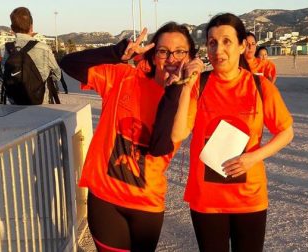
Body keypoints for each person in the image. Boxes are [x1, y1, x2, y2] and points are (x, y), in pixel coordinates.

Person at [60, 23, 203, 251]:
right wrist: (116, 53)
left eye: (179, 51)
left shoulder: (188, 102)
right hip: (106, 200)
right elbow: (67, 64)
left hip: (147, 205)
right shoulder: (123, 78)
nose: (171, 58)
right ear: (154, 55)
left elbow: (159, 146)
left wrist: (176, 88)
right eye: (163, 51)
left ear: (191, 57)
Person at [172, 13, 294, 251]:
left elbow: (286, 132)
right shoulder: (199, 84)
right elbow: (177, 135)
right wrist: (186, 86)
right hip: (206, 200)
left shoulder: (260, 87)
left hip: (249, 199)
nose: (219, 50)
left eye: (227, 41)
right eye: (212, 42)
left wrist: (254, 157)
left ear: (241, 46)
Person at [0, 7, 61, 104]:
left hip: (13, 104)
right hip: (40, 102)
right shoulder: (44, 48)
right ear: (31, 26)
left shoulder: (4, 49)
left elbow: (4, 73)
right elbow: (57, 74)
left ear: (12, 29)